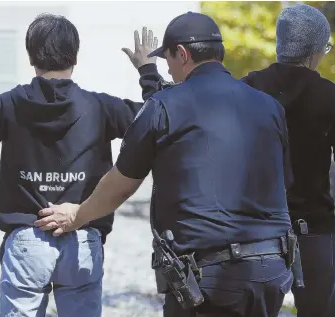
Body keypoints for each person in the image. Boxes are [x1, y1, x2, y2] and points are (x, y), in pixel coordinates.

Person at [34, 12, 297, 317]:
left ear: (183, 54)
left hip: (209, 280)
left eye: (168, 60)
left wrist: (76, 216)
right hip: (271, 272)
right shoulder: (269, 107)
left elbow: (121, 184)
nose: (168, 71)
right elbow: (285, 182)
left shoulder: (163, 107)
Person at [0, 13, 161, 317]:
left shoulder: (10, 104)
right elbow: (160, 123)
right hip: (83, 236)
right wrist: (148, 71)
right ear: (75, 56)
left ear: (31, 55)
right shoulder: (100, 107)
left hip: (27, 238)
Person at [240, 4, 335, 317]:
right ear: (314, 51)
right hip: (314, 233)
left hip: (256, 233)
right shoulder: (333, 97)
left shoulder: (248, 89)